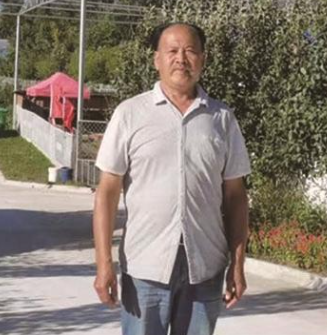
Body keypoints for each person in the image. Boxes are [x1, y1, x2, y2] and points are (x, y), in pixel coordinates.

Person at [93, 22, 251, 335]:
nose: (181, 59)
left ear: (203, 59)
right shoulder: (130, 114)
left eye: (190, 51)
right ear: (157, 59)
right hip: (145, 268)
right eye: (172, 51)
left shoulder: (222, 119)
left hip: (204, 268)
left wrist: (238, 263)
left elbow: (236, 196)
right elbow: (106, 192)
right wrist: (103, 263)